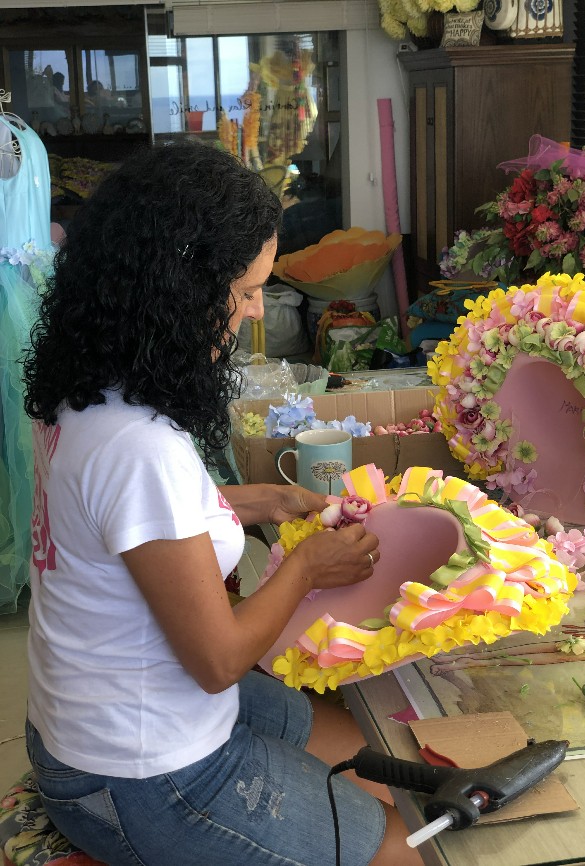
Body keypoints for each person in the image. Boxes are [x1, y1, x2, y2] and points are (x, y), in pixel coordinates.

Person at [22, 142, 423, 866]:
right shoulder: (138, 444)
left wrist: (265, 498)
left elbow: (124, 521)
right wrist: (305, 568)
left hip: (98, 720)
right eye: (244, 292)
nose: (256, 309)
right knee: (411, 850)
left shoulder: (84, 392)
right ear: (176, 292)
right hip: (140, 774)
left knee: (393, 771)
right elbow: (217, 661)